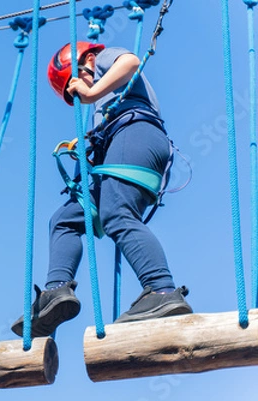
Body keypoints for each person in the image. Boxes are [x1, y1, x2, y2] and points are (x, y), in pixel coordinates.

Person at [12, 42, 192, 338]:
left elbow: (131, 62)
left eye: (76, 82)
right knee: (64, 220)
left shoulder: (104, 59)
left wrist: (92, 91)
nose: (80, 92)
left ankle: (162, 290)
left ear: (89, 60)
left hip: (136, 132)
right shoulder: (101, 105)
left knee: (117, 214)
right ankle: (56, 291)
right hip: (119, 143)